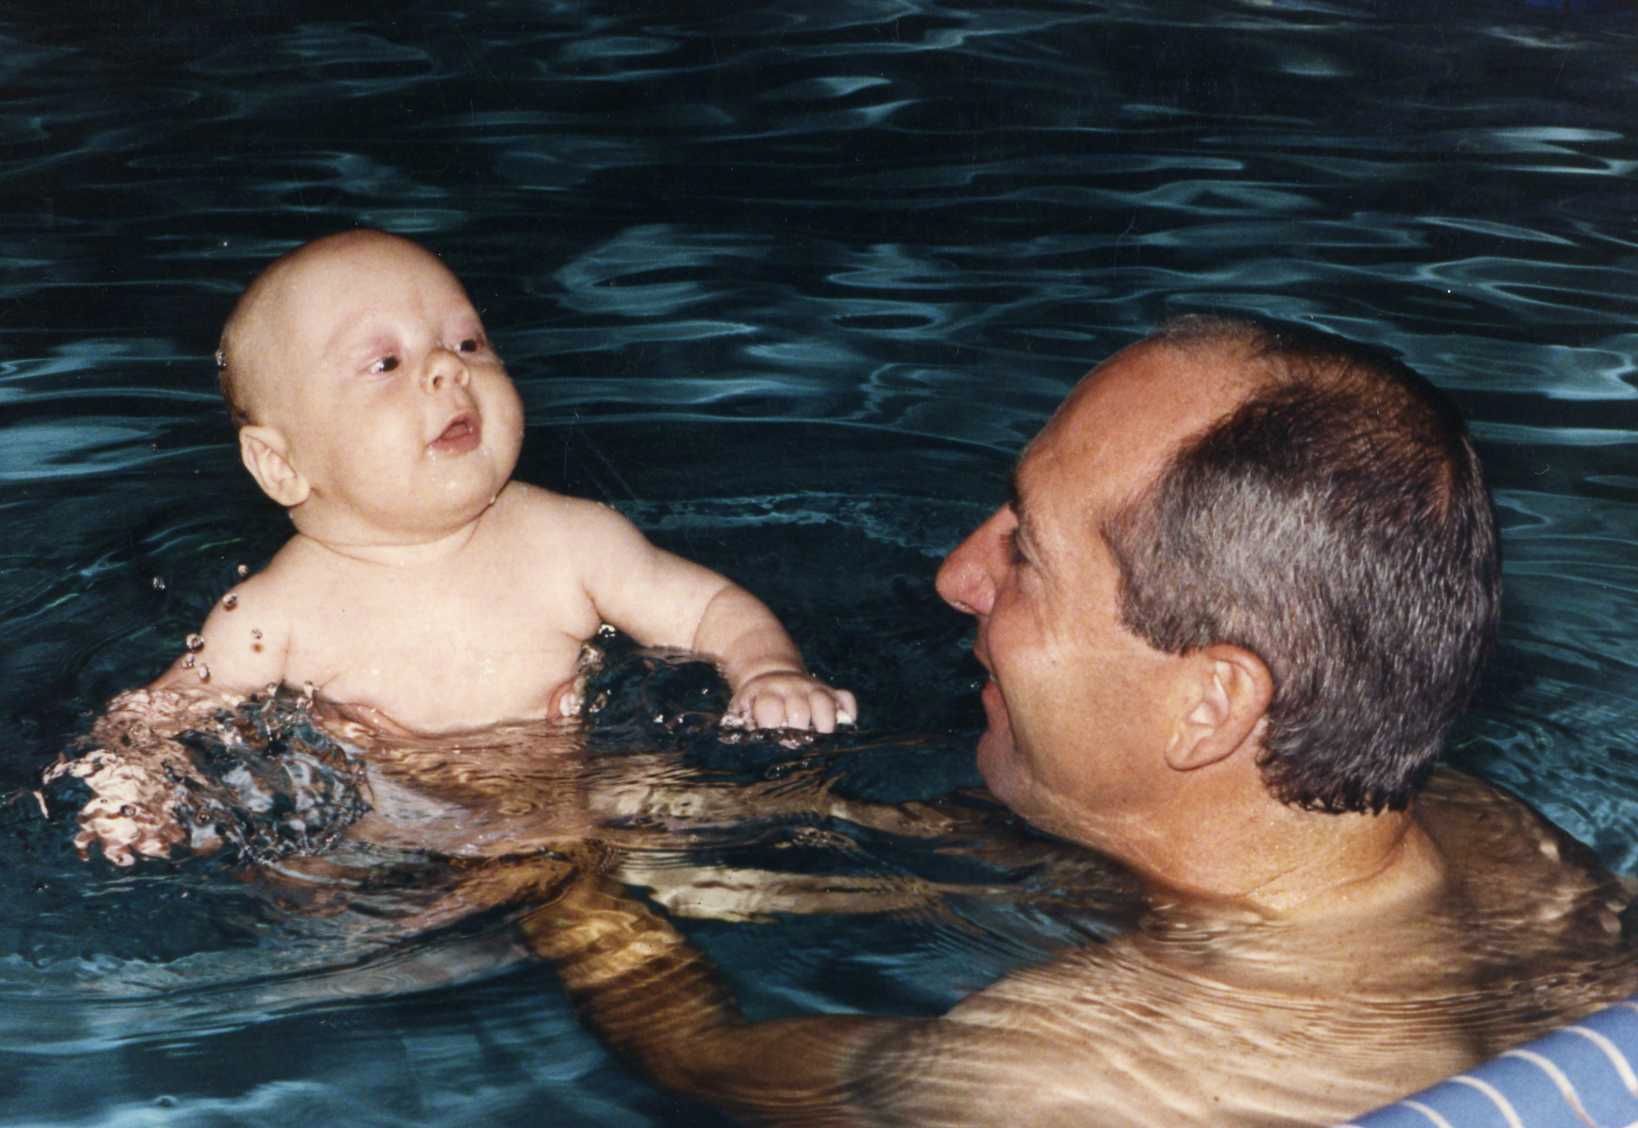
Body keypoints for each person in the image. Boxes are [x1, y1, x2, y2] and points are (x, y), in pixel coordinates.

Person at [520, 314, 1637, 1125]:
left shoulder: (1055, 1081)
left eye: (1027, 555)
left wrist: (539, 861)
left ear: (1213, 702)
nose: (961, 573)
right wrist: (830, 843)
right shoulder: (1489, 839)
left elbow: (704, 1055)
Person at [52, 228, 856, 867]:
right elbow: (161, 714)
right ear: (281, 462)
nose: (446, 370)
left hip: (600, 798)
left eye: (468, 344)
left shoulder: (567, 540)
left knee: (797, 825)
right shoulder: (274, 613)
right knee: (307, 888)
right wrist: (135, 791)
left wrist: (766, 670)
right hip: (386, 848)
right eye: (386, 363)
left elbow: (710, 608)